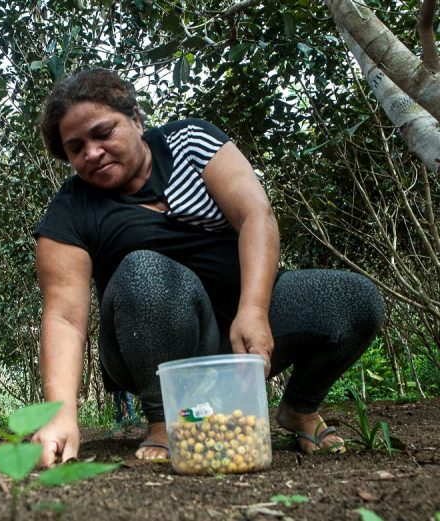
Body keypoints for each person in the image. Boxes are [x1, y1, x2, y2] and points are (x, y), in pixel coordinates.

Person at [30, 68, 384, 465]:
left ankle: (299, 408)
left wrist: (253, 309)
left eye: (103, 133)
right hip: (150, 345)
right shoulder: (69, 211)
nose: (92, 152)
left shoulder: (191, 142)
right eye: (76, 148)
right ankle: (165, 419)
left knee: (356, 299)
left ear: (135, 119)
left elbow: (255, 215)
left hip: (243, 325)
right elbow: (65, 318)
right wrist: (61, 414)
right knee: (144, 270)